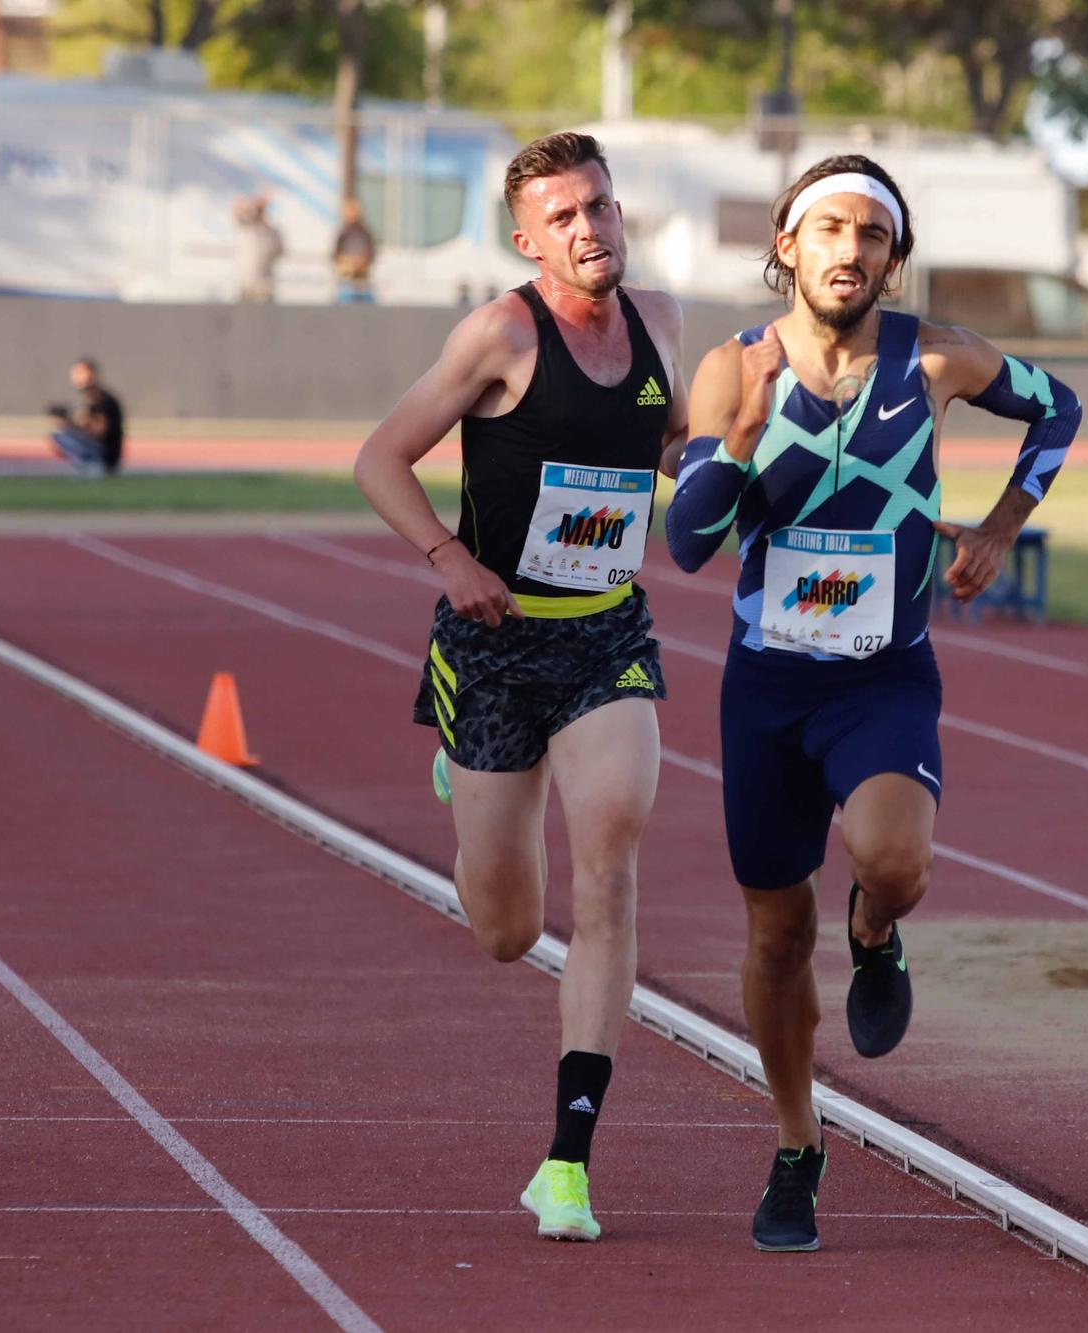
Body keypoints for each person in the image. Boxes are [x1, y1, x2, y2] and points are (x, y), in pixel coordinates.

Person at [664, 154, 1083, 1253]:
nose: (851, 251)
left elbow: (1058, 409)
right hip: (766, 688)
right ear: (788, 245)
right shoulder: (730, 368)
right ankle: (797, 1144)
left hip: (880, 673)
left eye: (873, 236)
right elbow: (687, 544)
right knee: (771, 931)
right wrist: (739, 442)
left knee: (894, 862)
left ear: (892, 258)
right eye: (831, 230)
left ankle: (874, 927)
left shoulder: (933, 357)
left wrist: (998, 525)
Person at [354, 131, 687, 1243]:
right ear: (526, 240)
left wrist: (721, 480)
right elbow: (379, 458)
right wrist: (451, 561)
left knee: (610, 865)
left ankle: (566, 1161)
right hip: (493, 647)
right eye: (564, 217)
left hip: (605, 638)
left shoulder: (662, 325)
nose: (589, 229)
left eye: (599, 206)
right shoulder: (498, 334)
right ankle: (464, 768)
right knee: (505, 928)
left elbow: (677, 452)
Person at [48, 358, 126, 476]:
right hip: (103, 451)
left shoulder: (99, 398)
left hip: (106, 454)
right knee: (60, 433)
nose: (75, 377)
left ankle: (93, 465)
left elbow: (99, 430)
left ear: (91, 374)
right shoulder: (88, 397)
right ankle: (87, 464)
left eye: (80, 373)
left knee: (62, 435)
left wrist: (72, 425)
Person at [234, 194, 284, 303]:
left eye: (260, 211)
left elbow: (280, 251)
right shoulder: (247, 230)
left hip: (265, 283)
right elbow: (236, 215)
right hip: (246, 282)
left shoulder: (273, 232)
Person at [333, 198, 376, 304]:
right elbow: (335, 254)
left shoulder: (365, 233)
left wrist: (362, 261)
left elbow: (371, 253)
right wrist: (346, 262)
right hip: (346, 280)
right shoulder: (344, 233)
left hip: (363, 281)